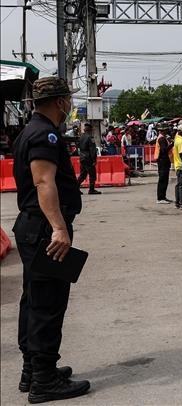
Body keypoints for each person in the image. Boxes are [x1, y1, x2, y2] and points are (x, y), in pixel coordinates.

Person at [12, 76, 91, 403]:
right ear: (60, 102)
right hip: (45, 230)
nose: (69, 104)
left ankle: (33, 370)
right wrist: (59, 228)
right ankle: (44, 380)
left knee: (33, 301)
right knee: (47, 304)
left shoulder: (30, 131)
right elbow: (44, 183)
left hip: (33, 227)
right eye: (68, 99)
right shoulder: (44, 134)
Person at [75, 121, 100, 195]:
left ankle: (76, 188)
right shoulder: (90, 137)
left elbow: (78, 147)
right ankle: (91, 189)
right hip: (88, 158)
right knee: (92, 174)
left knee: (83, 174)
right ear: (90, 130)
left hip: (82, 157)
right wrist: (94, 159)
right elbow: (92, 149)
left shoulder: (81, 137)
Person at [155, 125, 172, 204]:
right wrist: (172, 144)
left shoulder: (163, 138)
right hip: (163, 160)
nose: (167, 131)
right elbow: (164, 150)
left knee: (165, 179)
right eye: (166, 130)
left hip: (164, 160)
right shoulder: (161, 139)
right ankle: (160, 198)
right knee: (162, 179)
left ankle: (163, 197)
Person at [173, 123, 182, 209]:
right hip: (181, 165)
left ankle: (177, 202)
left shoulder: (177, 138)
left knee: (178, 184)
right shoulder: (181, 141)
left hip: (177, 165)